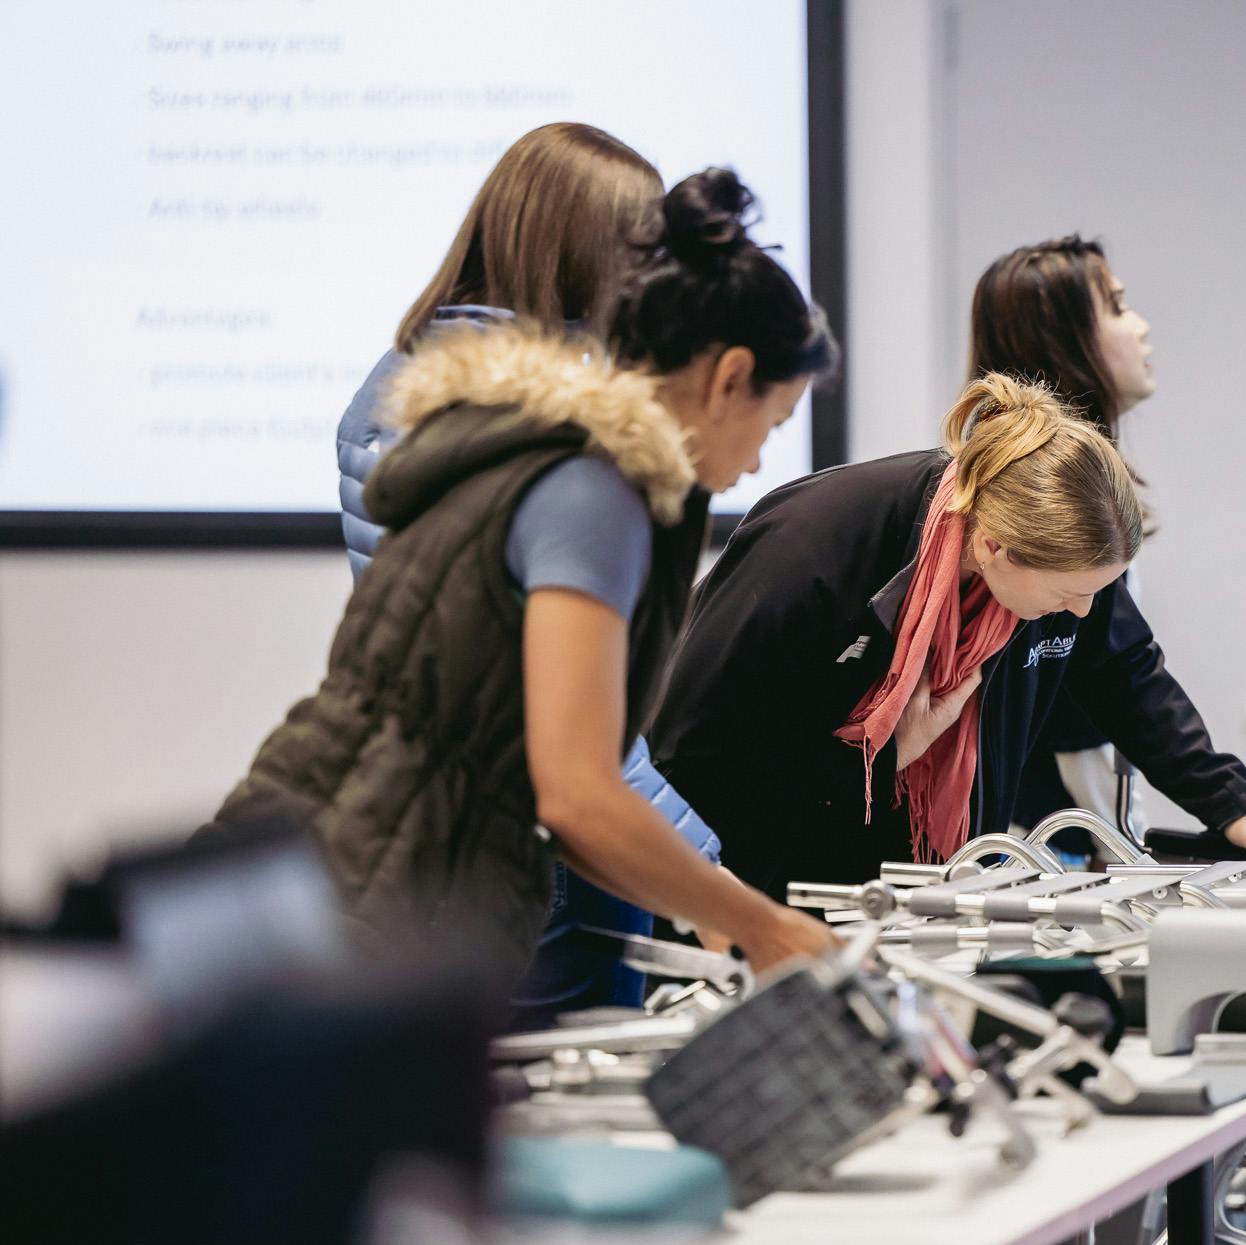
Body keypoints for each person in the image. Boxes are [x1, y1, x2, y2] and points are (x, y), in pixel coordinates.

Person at [210, 167, 840, 983]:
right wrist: (763, 924)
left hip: (321, 870)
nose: (758, 460)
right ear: (727, 378)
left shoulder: (534, 447)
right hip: (371, 899)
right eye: (773, 421)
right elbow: (578, 794)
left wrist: (709, 909)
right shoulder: (593, 486)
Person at [644, 371, 1246, 903]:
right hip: (766, 886)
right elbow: (696, 757)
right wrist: (886, 756)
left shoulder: (1065, 555)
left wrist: (1235, 808)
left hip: (942, 881)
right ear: (993, 546)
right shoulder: (813, 551)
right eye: (1068, 595)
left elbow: (1128, 676)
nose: (1082, 614)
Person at [331, 122, 728, 1022]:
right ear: (580, 250)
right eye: (644, 250)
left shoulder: (413, 382)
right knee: (567, 1117)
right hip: (533, 845)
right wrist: (698, 866)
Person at [968, 235, 1158, 853]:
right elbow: (1080, 714)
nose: (1142, 327)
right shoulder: (1029, 510)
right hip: (1025, 842)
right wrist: (1122, 852)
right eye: (1119, 307)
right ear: (1065, 339)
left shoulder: (1091, 489)